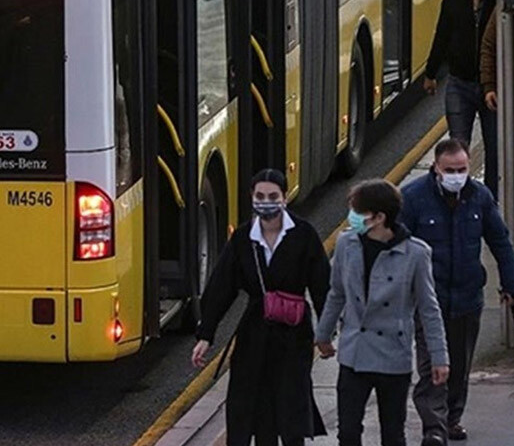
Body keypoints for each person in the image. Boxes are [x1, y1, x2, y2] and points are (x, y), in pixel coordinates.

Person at [192, 169, 331, 446]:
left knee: (291, 411)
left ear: (284, 198)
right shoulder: (243, 238)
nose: (266, 201)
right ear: (252, 197)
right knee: (256, 410)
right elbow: (222, 287)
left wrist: (325, 333)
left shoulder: (304, 235)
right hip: (254, 334)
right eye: (260, 196)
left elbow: (322, 287)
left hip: (294, 335)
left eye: (272, 196)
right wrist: (206, 335)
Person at [400, 139, 514, 443]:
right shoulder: (413, 198)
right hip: (429, 300)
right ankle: (435, 428)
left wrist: (513, 284)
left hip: (467, 298)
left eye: (462, 169)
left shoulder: (479, 196)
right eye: (450, 170)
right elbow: (397, 248)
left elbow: (500, 240)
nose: (457, 175)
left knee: (459, 364)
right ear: (436, 169)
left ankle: (452, 418)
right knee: (432, 367)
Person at [315, 180, 450, 446]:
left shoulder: (415, 254)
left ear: (379, 217)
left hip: (393, 356)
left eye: (358, 211)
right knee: (349, 432)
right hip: (354, 354)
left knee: (392, 433)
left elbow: (429, 308)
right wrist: (323, 334)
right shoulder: (346, 244)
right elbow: (337, 293)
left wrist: (439, 357)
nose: (352, 217)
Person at [424, 0, 499, 192]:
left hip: (492, 87)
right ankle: (458, 195)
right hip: (459, 83)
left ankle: (491, 199)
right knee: (458, 145)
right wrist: (431, 73)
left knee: (494, 148)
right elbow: (442, 35)